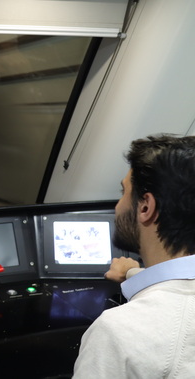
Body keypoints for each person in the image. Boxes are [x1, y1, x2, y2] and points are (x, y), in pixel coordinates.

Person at [73, 135, 195, 378]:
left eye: (123, 192)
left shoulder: (118, 333)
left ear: (145, 207)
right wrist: (132, 272)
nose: (118, 205)